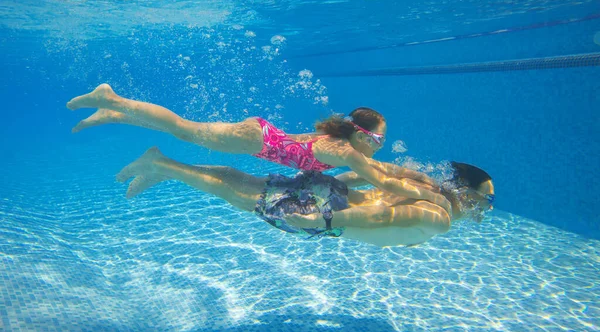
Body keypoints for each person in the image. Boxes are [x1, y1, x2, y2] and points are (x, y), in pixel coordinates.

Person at [67, 83, 451, 212]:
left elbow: (383, 175)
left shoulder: (338, 142)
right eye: (381, 140)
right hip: (255, 139)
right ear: (365, 136)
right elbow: (383, 181)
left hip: (259, 136)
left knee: (186, 131)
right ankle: (113, 99)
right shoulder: (347, 152)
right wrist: (430, 197)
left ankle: (113, 114)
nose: (380, 149)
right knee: (183, 129)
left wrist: (423, 180)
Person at [115, 147, 495, 247]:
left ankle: (163, 166)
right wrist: (326, 221)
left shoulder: (428, 192)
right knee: (241, 195)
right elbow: (380, 218)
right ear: (466, 191)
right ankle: (162, 165)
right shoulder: (440, 218)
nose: (486, 208)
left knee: (247, 184)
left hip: (334, 196)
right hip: (331, 210)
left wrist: (328, 177)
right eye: (486, 199)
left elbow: (377, 179)